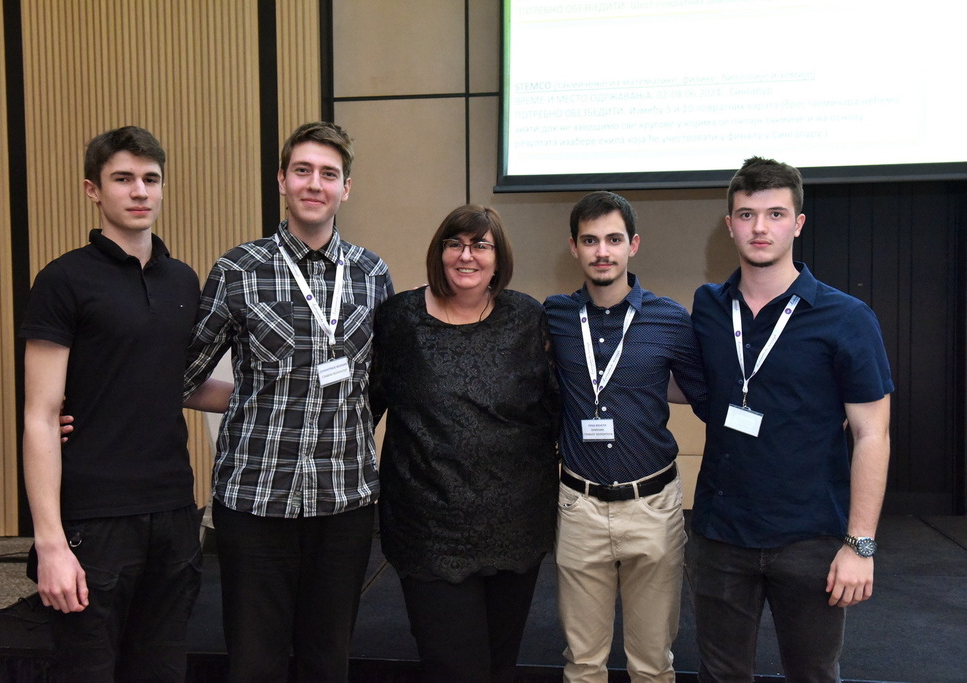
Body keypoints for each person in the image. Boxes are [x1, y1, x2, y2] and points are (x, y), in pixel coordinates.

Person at [181, 121, 393, 682]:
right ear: (282, 180)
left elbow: (380, 382)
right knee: (255, 662)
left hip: (343, 500)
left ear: (346, 188)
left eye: (329, 174)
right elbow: (182, 377)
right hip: (256, 497)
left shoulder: (373, 274)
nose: (314, 184)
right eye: (302, 171)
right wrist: (253, 398)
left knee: (328, 660)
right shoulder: (238, 270)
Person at [687, 156, 893, 681]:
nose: (760, 228)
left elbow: (872, 434)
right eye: (747, 214)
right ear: (729, 224)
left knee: (813, 674)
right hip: (720, 535)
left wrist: (860, 545)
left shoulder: (846, 318)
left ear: (798, 224)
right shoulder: (709, 307)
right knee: (720, 674)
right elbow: (682, 381)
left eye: (775, 214)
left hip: (811, 539)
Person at [21, 126, 214, 680]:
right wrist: (50, 543)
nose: (139, 191)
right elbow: (40, 415)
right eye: (123, 179)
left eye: (151, 179)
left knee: (161, 670)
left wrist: (285, 393)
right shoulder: (63, 280)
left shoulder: (183, 280)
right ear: (93, 190)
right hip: (94, 518)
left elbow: (179, 384)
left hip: (174, 511)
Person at [371, 205, 560, 682]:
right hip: (429, 530)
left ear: (498, 258)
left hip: (516, 525)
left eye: (480, 245)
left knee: (500, 668)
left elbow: (554, 408)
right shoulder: (399, 320)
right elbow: (366, 405)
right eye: (454, 244)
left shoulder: (527, 317)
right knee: (455, 669)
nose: (466, 255)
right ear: (439, 252)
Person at [544, 191, 707, 683]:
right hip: (579, 507)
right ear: (573, 247)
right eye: (590, 240)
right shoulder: (553, 317)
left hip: (653, 506)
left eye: (614, 240)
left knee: (653, 665)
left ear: (633, 245)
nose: (602, 252)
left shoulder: (670, 319)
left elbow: (708, 395)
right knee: (583, 665)